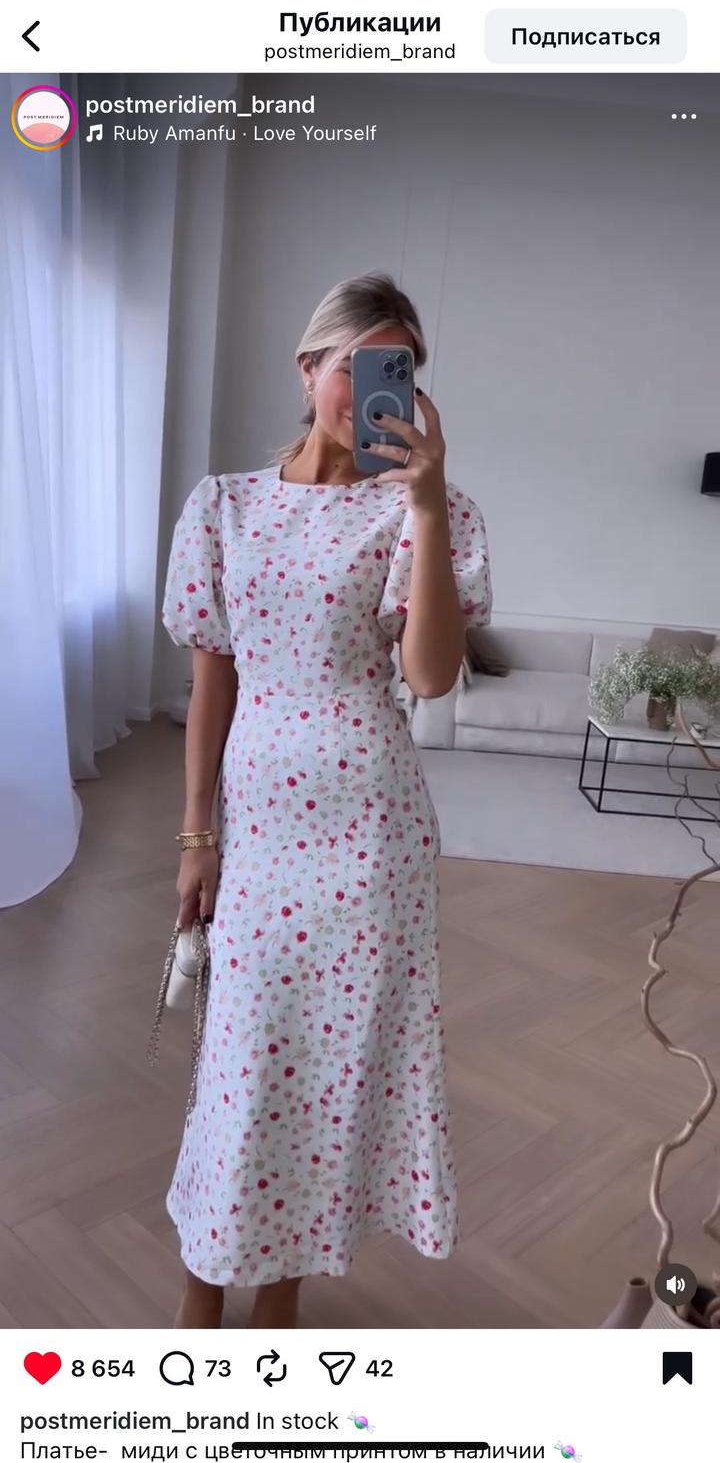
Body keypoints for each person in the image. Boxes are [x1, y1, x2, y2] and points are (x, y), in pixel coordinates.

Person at [161, 272, 492, 1329]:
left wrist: (426, 505)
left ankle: (279, 1302)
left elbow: (429, 677)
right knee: (241, 1065)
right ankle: (200, 1293)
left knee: (326, 1079)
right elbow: (213, 680)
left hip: (371, 838)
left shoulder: (427, 511)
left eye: (404, 368)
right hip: (263, 835)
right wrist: (197, 834)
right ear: (309, 370)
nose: (380, 388)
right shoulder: (225, 506)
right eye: (362, 364)